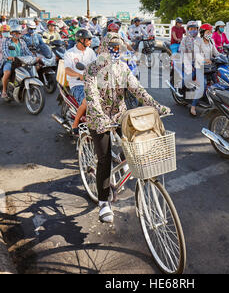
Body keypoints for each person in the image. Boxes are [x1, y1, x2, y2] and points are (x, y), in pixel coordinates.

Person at [84, 32, 170, 223]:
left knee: (137, 145)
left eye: (119, 48)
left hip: (120, 115)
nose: (116, 51)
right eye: (113, 48)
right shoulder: (92, 69)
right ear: (105, 48)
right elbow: (91, 96)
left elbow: (137, 90)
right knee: (104, 159)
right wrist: (100, 116)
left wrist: (156, 105)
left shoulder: (122, 68)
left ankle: (124, 165)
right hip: (99, 120)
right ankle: (104, 202)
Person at [64, 29, 97, 135]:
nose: (90, 41)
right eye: (89, 39)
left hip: (91, 82)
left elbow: (96, 66)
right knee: (87, 101)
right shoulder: (70, 53)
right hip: (77, 84)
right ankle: (75, 123)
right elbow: (67, 70)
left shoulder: (90, 52)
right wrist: (79, 75)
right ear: (81, 40)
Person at [1, 25, 38, 99]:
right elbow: (4, 51)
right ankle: (4, 91)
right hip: (9, 61)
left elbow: (27, 51)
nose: (18, 35)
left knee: (33, 67)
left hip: (21, 61)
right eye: (16, 33)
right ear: (11, 33)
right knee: (7, 73)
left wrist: (34, 57)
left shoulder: (22, 41)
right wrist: (9, 57)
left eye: (19, 33)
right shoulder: (6, 40)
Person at [179, 21, 205, 117]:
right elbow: (182, 53)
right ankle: (192, 106)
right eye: (191, 29)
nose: (193, 31)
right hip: (188, 63)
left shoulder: (200, 39)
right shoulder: (185, 40)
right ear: (188, 30)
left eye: (195, 29)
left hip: (200, 63)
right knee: (188, 79)